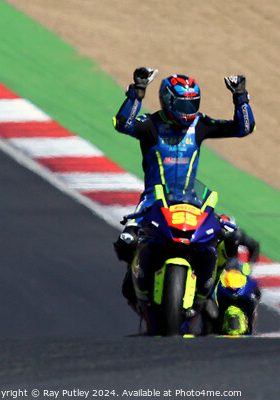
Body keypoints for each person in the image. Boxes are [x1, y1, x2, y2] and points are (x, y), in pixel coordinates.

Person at [112, 67, 256, 320]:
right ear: (167, 101)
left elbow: (243, 128)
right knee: (127, 239)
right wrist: (137, 92)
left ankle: (209, 293)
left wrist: (240, 96)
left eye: (193, 104)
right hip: (152, 200)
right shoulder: (150, 125)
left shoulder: (200, 124)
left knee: (226, 236)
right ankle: (134, 279)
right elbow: (122, 123)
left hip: (191, 201)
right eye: (182, 104)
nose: (188, 111)